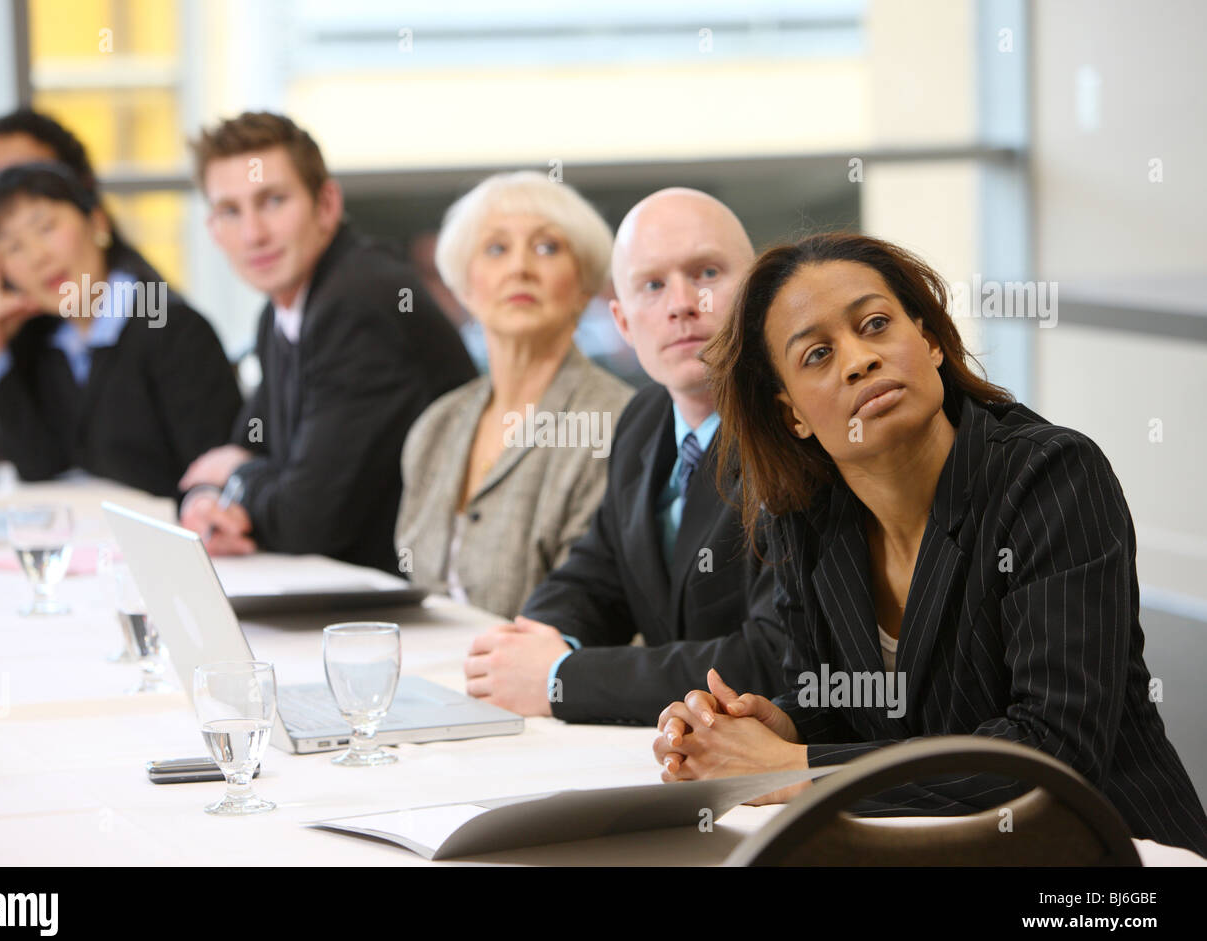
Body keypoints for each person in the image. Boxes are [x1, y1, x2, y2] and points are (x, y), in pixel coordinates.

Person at [652, 232, 1207, 856]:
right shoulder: (805, 519)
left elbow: (1053, 748)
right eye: (816, 355)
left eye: (876, 324)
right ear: (792, 416)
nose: (859, 360)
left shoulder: (1051, 477)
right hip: (934, 851)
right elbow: (842, 707)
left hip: (1109, 860)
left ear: (931, 340)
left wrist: (797, 767)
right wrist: (779, 725)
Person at [463, 188, 789, 724]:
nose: (682, 303)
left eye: (706, 273)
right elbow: (596, 575)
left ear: (757, 290)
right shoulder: (643, 421)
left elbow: (771, 658)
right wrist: (534, 640)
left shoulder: (797, 433)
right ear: (622, 321)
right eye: (653, 285)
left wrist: (560, 681)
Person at [179, 112, 476, 570]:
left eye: (273, 201)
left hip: (412, 603)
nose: (253, 234)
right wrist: (209, 500)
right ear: (212, 229)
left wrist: (234, 476)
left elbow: (306, 522)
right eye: (231, 211)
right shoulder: (282, 311)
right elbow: (246, 449)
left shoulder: (359, 303)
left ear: (327, 205)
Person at [396, 172, 633, 620]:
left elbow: (592, 612)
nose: (520, 267)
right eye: (496, 248)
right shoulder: (436, 425)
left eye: (547, 248)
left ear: (585, 287)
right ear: (466, 287)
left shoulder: (616, 423)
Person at [0, 162, 241, 498]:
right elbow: (38, 464)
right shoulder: (43, 340)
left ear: (97, 222)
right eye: (14, 247)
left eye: (46, 227)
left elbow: (217, 480)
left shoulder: (171, 327)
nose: (37, 256)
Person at [0, 108, 167, 458]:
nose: (11, 196)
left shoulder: (150, 310)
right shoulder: (27, 303)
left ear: (82, 194)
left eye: (32, 178)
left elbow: (60, 440)